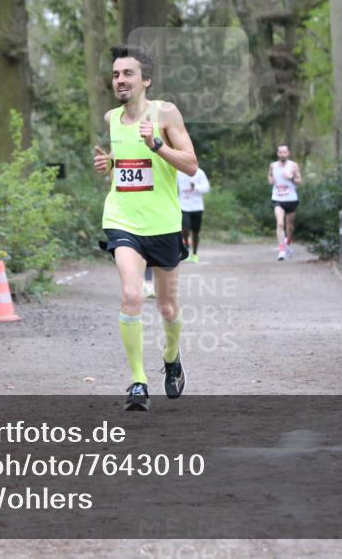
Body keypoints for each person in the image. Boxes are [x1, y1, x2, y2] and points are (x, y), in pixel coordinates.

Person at [93, 45, 198, 411]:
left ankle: (171, 358)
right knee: (132, 296)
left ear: (146, 80)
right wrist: (110, 165)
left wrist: (157, 145)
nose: (120, 80)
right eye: (116, 74)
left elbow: (191, 165)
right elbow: (124, 165)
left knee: (168, 308)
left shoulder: (165, 113)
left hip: (163, 225)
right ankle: (138, 381)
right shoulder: (110, 119)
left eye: (128, 74)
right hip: (122, 220)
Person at [268, 144, 301, 260]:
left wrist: (291, 178)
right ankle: (282, 250)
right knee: (280, 223)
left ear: (288, 153)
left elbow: (299, 181)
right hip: (278, 198)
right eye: (280, 152)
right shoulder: (272, 165)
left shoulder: (293, 165)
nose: (282, 154)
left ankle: (287, 244)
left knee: (290, 227)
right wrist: (271, 180)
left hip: (291, 199)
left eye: (284, 152)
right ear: (278, 154)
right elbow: (270, 177)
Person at [178, 167, 210, 262]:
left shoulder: (199, 173)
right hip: (183, 206)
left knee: (195, 232)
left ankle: (195, 253)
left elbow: (206, 188)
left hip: (197, 207)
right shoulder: (178, 172)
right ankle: (186, 250)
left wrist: (195, 186)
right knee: (185, 229)